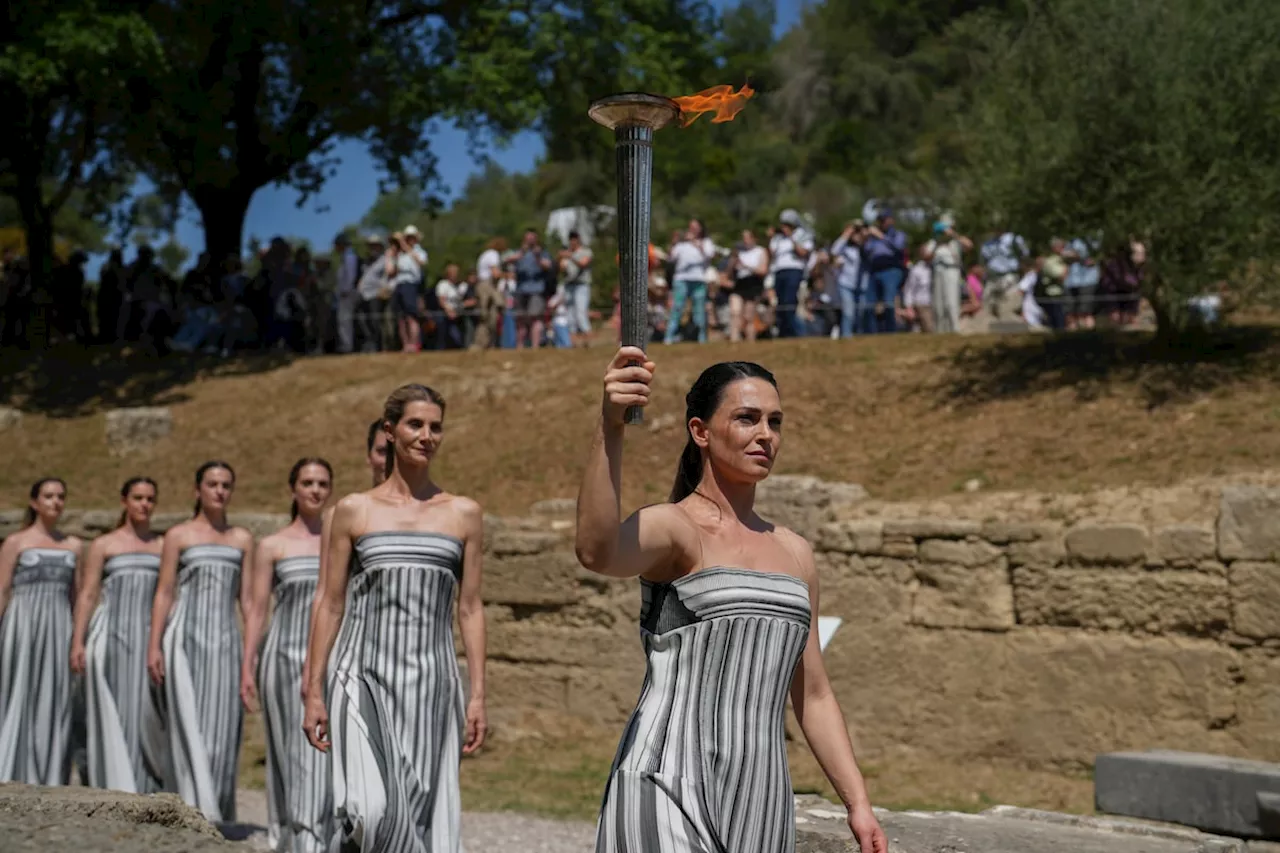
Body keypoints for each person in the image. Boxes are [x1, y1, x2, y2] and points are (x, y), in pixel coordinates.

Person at [576, 350, 888, 853]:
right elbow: (596, 550)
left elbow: (813, 695)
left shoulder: (795, 553)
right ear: (700, 431)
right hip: (664, 785)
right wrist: (610, 426)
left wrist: (858, 803)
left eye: (775, 422)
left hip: (762, 803)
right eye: (747, 418)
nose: (766, 434)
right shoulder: (674, 527)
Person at [303, 386, 487, 853]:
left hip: (432, 684)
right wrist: (313, 690)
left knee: (419, 817)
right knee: (369, 810)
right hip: (360, 678)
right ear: (390, 431)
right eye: (415, 425)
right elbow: (329, 602)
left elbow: (470, 607)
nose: (426, 436)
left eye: (435, 427)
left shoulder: (463, 514)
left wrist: (478, 695)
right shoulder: (353, 511)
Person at [146, 461, 254, 822]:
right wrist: (154, 645)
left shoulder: (242, 539)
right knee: (187, 724)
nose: (220, 491)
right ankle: (187, 812)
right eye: (212, 484)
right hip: (184, 642)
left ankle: (214, 814)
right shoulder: (178, 536)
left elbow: (250, 603)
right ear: (198, 490)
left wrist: (249, 658)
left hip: (225, 642)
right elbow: (163, 592)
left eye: (226, 485)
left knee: (222, 732)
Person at [245, 459, 333, 853]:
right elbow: (258, 609)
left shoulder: (340, 540)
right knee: (286, 748)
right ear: (293, 488)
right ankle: (288, 837)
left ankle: (318, 837)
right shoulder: (272, 545)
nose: (315, 490)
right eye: (308, 482)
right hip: (281, 656)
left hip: (328, 658)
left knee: (323, 752)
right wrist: (247, 664)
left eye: (322, 483)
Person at [70, 477, 165, 793]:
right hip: (111, 636)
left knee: (146, 716)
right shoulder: (103, 545)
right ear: (124, 501)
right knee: (114, 712)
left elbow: (167, 595)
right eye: (137, 498)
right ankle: (110, 787)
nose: (144, 505)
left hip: (149, 639)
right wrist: (78, 640)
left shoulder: (162, 545)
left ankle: (144, 790)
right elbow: (87, 594)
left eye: (150, 499)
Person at [0, 477, 82, 785]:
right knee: (18, 691)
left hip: (59, 624)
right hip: (22, 625)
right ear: (35, 502)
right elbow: (3, 589)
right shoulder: (16, 542)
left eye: (60, 496)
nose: (55, 502)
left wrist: (77, 637)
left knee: (56, 696)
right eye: (48, 496)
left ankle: (49, 777)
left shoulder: (73, 545)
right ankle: (10, 772)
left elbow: (76, 596)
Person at [665, 218, 716, 345]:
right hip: (681, 280)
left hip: (698, 279)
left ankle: (701, 338)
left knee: (699, 309)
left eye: (695, 226)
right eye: (690, 226)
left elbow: (709, 255)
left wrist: (694, 241)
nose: (692, 229)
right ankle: (669, 337)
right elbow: (670, 258)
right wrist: (673, 243)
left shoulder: (706, 242)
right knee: (677, 308)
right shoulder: (681, 245)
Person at [861, 209, 908, 334]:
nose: (882, 223)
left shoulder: (898, 234)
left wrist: (881, 237)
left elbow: (898, 248)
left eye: (885, 219)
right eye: (880, 220)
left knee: (889, 302)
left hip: (891, 271)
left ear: (891, 220)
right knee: (869, 304)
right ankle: (870, 332)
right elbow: (866, 251)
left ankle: (891, 331)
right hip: (874, 271)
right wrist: (865, 238)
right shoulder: (872, 238)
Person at [769, 210, 814, 338]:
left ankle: (799, 333)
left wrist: (791, 238)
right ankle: (784, 333)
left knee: (790, 302)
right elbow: (772, 253)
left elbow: (803, 252)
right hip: (779, 271)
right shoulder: (778, 238)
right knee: (781, 304)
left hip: (794, 270)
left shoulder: (802, 235)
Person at [922, 221, 973, 334]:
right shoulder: (934, 242)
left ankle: (955, 329)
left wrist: (953, 235)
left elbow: (969, 245)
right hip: (937, 271)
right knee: (938, 303)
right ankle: (939, 331)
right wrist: (937, 244)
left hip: (952, 270)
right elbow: (926, 256)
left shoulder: (955, 241)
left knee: (951, 301)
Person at [513, 228, 552, 349]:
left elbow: (548, 266)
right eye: (528, 238)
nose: (530, 240)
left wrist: (538, 257)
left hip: (536, 290)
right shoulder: (519, 253)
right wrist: (521, 253)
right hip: (521, 290)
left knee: (535, 318)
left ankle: (535, 347)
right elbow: (507, 260)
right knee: (521, 320)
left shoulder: (542, 253)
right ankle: (519, 347)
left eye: (532, 238)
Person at [727, 228, 769, 343]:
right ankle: (734, 340)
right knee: (735, 312)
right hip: (739, 284)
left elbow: (763, 270)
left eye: (748, 237)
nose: (745, 240)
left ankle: (750, 341)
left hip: (753, 284)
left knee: (748, 316)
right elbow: (729, 274)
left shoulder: (761, 251)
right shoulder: (739, 253)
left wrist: (746, 266)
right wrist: (733, 262)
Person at [831, 220, 870, 338]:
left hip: (862, 285)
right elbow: (834, 250)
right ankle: (847, 336)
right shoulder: (845, 247)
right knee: (848, 312)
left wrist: (865, 235)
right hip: (846, 284)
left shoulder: (866, 247)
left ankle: (858, 335)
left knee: (860, 312)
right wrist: (847, 233)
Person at [558, 231, 595, 347]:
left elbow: (583, 263)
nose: (572, 242)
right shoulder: (567, 253)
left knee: (581, 313)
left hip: (581, 285)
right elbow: (562, 268)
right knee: (570, 315)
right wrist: (561, 259)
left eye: (574, 239)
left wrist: (570, 256)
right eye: (570, 239)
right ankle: (573, 343)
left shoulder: (586, 251)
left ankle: (588, 341)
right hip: (569, 285)